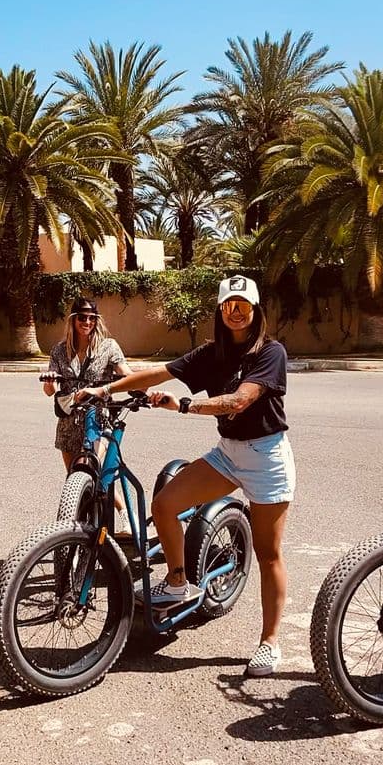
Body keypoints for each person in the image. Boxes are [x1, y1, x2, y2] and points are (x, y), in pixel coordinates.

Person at [76, 273, 294, 679]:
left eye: (243, 306)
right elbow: (157, 373)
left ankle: (270, 641)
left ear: (256, 310)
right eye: (229, 305)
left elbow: (239, 401)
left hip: (267, 458)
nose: (235, 312)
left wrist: (184, 406)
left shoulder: (271, 352)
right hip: (229, 453)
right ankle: (177, 582)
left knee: (269, 554)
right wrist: (104, 391)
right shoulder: (212, 353)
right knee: (165, 504)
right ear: (220, 310)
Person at [42, 298, 132, 471]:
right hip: (68, 424)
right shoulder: (59, 351)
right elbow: (49, 391)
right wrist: (49, 381)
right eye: (82, 317)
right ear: (73, 319)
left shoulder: (108, 346)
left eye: (92, 318)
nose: (87, 322)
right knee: (74, 478)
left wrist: (142, 382)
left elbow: (125, 371)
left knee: (91, 471)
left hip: (97, 418)